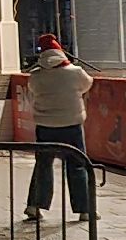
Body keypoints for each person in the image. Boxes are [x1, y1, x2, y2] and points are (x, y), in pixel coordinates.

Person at [24, 40, 96, 222]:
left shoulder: (36, 76)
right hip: (72, 126)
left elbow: (32, 90)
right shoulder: (75, 73)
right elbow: (88, 84)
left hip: (45, 127)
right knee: (78, 165)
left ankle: (35, 206)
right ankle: (85, 209)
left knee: (43, 166)